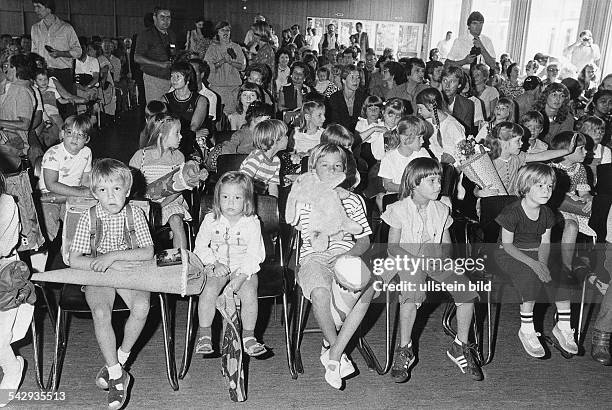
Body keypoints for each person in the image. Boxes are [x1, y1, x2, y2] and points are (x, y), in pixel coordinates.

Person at [382, 157, 482, 381]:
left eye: (440, 180)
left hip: (434, 259)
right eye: (432, 181)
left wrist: (444, 261)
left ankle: (460, 346)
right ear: (414, 184)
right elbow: (393, 247)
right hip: (406, 259)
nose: (439, 185)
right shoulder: (398, 209)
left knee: (466, 291)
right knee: (411, 293)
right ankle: (405, 348)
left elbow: (446, 245)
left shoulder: (442, 209)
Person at [69, 159, 155, 410]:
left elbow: (147, 252)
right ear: (94, 193)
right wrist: (106, 263)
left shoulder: (135, 213)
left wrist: (114, 257)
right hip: (99, 275)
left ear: (127, 191)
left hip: (129, 271)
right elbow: (75, 259)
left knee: (141, 308)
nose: (111, 197)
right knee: (100, 312)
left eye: (117, 189)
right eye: (103, 191)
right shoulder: (88, 217)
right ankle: (117, 376)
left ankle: (119, 360)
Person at [288, 143, 373, 389]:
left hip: (346, 254)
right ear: (313, 169)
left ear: (345, 171)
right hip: (314, 256)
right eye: (324, 166)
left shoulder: (354, 201)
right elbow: (298, 230)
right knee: (320, 292)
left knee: (369, 289)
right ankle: (335, 346)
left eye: (337, 166)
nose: (331, 170)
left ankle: (334, 354)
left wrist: (348, 254)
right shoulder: (304, 199)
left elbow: (364, 240)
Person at [495, 163, 578, 358]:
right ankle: (526, 328)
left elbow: (545, 243)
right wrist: (535, 265)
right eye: (540, 186)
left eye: (549, 186)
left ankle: (563, 327)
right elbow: (507, 245)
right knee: (530, 277)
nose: (546, 191)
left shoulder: (548, 213)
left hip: (535, 252)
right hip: (509, 253)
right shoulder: (512, 212)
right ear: (525, 186)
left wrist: (543, 264)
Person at [193, 171, 267, 356]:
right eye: (225, 197)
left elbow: (255, 253)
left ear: (246, 200)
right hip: (218, 265)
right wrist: (213, 263)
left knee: (249, 292)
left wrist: (242, 276)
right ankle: (204, 335)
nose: (230, 202)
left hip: (243, 268)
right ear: (218, 198)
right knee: (208, 290)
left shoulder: (251, 223)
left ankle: (249, 336)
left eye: (237, 197)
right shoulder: (211, 220)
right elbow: (200, 247)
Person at [129, 113, 196, 249]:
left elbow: (179, 187)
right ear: (162, 135)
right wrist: (146, 203)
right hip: (146, 202)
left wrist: (161, 205)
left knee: (176, 220)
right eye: (177, 133)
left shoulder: (177, 157)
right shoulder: (140, 156)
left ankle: (181, 259)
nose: (181, 136)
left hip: (171, 201)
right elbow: (131, 183)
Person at [39, 115, 93, 257]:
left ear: (86, 139)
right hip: (50, 195)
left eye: (80, 135)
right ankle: (44, 253)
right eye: (70, 133)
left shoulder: (86, 152)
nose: (74, 138)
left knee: (82, 221)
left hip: (73, 194)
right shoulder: (53, 153)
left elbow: (86, 179)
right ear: (62, 134)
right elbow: (51, 184)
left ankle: (74, 253)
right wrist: (81, 193)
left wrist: (86, 194)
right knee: (48, 224)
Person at [475, 122, 575, 198]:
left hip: (511, 201)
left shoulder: (518, 157)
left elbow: (541, 156)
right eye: (518, 140)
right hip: (492, 202)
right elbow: (475, 186)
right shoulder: (488, 160)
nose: (522, 143)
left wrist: (567, 151)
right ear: (503, 142)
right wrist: (480, 193)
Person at [549, 131, 594, 276]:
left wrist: (588, 198)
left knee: (589, 220)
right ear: (566, 151)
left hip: (570, 207)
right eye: (581, 148)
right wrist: (568, 196)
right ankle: (566, 267)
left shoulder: (580, 169)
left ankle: (570, 266)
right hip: (553, 206)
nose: (586, 151)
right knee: (572, 226)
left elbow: (583, 192)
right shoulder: (552, 167)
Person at [30, 0, 81, 115]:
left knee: (64, 108)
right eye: (34, 7)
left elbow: (78, 51)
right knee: (45, 110)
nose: (35, 10)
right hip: (42, 74)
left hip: (62, 73)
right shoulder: (35, 28)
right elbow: (34, 51)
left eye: (38, 6)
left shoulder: (66, 28)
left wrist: (61, 54)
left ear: (48, 8)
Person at [163, 62, 209, 161]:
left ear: (187, 79)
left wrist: (191, 135)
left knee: (199, 141)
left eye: (178, 76)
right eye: (172, 76)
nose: (174, 80)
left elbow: (194, 127)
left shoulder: (201, 100)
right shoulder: (165, 99)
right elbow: (165, 126)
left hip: (191, 139)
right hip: (172, 136)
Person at [134, 6, 177, 103]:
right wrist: (159, 64)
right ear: (154, 18)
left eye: (168, 17)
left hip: (171, 79)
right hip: (153, 78)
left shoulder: (172, 34)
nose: (166, 20)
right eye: (162, 17)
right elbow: (137, 57)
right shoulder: (146, 34)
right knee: (156, 110)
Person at [379, 116, 431, 193]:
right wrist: (409, 189)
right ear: (404, 139)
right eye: (419, 137)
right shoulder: (389, 157)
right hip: (398, 196)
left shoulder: (423, 153)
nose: (423, 141)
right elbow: (388, 185)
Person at [204, 21, 246, 115]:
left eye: (228, 30)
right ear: (217, 32)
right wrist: (223, 61)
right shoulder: (212, 48)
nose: (225, 32)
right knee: (219, 117)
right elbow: (208, 67)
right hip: (217, 88)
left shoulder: (236, 47)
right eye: (222, 30)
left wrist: (230, 62)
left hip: (234, 88)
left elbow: (242, 67)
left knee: (234, 115)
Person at [415, 87, 465, 165]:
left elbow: (464, 153)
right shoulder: (428, 122)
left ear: (430, 106)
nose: (419, 111)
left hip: (452, 169)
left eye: (420, 108)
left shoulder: (452, 125)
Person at [239, 119, 287, 197]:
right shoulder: (257, 157)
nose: (287, 137)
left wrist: (274, 206)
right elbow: (242, 181)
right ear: (274, 140)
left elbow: (273, 186)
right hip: (245, 195)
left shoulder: (276, 161)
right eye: (285, 135)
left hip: (259, 197)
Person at [0, 54, 35, 161]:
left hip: (14, 146)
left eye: (8, 66)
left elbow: (25, 124)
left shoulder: (22, 91)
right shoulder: (13, 87)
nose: (6, 69)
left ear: (15, 68)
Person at [326, 65, 368, 132]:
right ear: (343, 80)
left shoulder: (364, 98)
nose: (356, 81)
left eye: (358, 77)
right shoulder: (335, 98)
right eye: (352, 77)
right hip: (340, 136)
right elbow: (333, 123)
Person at [440, 66, 475, 136]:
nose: (447, 85)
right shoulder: (432, 100)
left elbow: (465, 133)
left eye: (452, 81)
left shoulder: (467, 105)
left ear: (459, 84)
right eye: (445, 80)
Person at [577, 115, 610, 184]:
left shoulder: (605, 151)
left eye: (602, 131)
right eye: (594, 131)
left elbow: (605, 178)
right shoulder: (576, 149)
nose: (599, 134)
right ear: (584, 131)